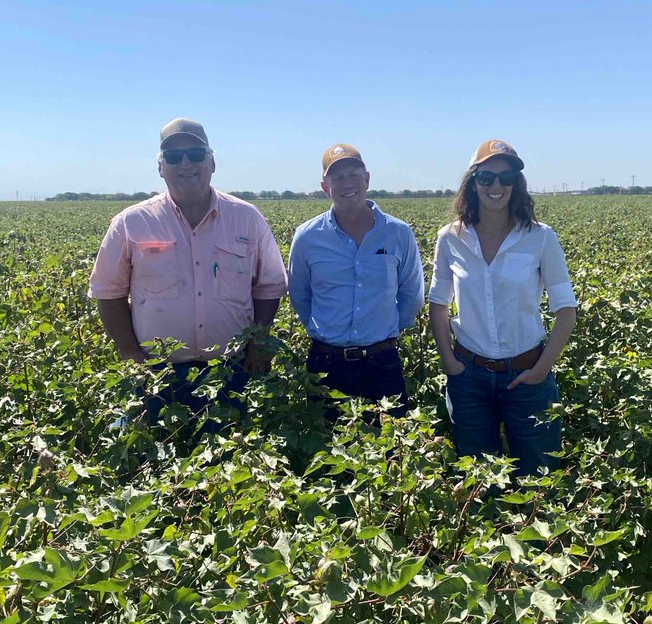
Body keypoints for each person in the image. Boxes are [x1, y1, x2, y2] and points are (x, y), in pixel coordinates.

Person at [89, 118, 288, 425]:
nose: (185, 163)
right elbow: (108, 291)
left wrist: (259, 344)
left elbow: (270, 286)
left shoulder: (247, 218)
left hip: (232, 370)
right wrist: (130, 354)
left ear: (212, 162)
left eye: (195, 154)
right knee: (154, 463)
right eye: (173, 156)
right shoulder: (131, 222)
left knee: (234, 464)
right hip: (157, 373)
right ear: (160, 166)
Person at [428, 138, 577, 475]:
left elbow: (566, 309)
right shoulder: (450, 238)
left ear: (516, 185)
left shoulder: (540, 237)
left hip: (528, 375)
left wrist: (541, 370)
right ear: (473, 183)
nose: (496, 186)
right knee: (479, 482)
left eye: (506, 178)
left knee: (539, 478)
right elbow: (438, 304)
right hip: (469, 377)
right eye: (486, 178)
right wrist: (450, 363)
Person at [288, 143, 425, 414]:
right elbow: (300, 294)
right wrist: (326, 330)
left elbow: (412, 292)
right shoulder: (307, 237)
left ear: (367, 179)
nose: (347, 183)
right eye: (337, 177)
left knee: (393, 449)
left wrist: (389, 330)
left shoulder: (399, 233)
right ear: (325, 186)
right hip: (326, 363)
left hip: (383, 360)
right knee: (328, 449)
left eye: (353, 174)